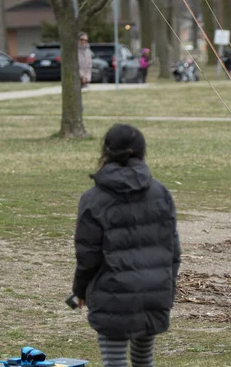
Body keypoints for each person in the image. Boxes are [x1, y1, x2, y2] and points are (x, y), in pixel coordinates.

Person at [72, 123, 181, 367]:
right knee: (144, 359)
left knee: (114, 361)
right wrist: (166, 286)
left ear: (107, 151)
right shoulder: (161, 193)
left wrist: (80, 290)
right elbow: (174, 250)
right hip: (154, 292)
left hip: (112, 295)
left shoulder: (93, 199)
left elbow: (87, 255)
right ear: (142, 151)